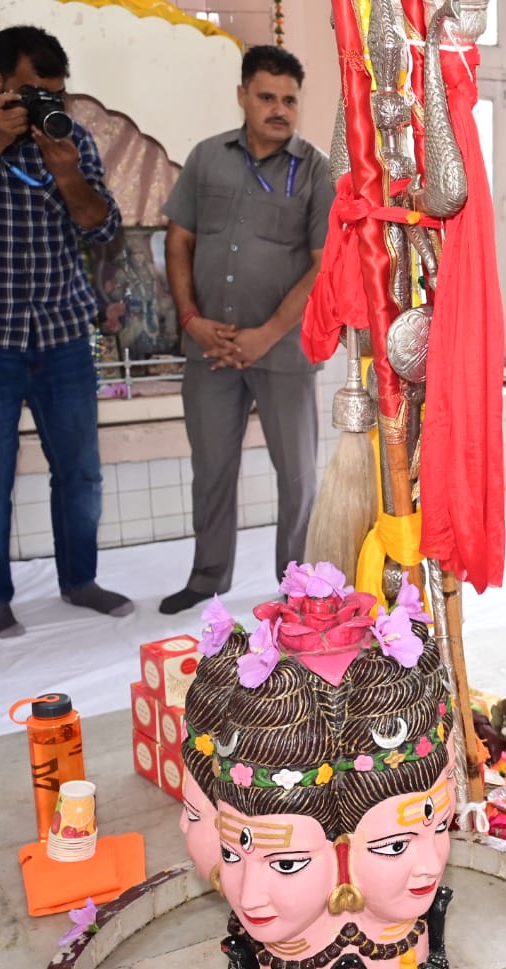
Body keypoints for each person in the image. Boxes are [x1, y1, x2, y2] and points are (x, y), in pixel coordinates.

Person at [159, 45, 333, 615]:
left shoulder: (315, 170)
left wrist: (265, 334)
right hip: (208, 345)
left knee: (299, 476)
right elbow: (178, 240)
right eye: (267, 97)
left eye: (289, 100)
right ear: (242, 96)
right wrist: (191, 320)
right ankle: (208, 576)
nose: (279, 109)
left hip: (283, 348)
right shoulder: (207, 159)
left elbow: (321, 264)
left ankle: (298, 588)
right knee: (211, 467)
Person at [0, 25, 133, 636]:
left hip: (65, 332)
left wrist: (68, 174)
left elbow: (105, 231)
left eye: (54, 94)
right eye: (29, 92)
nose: (43, 106)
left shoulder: (69, 140)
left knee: (80, 470)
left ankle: (80, 581)